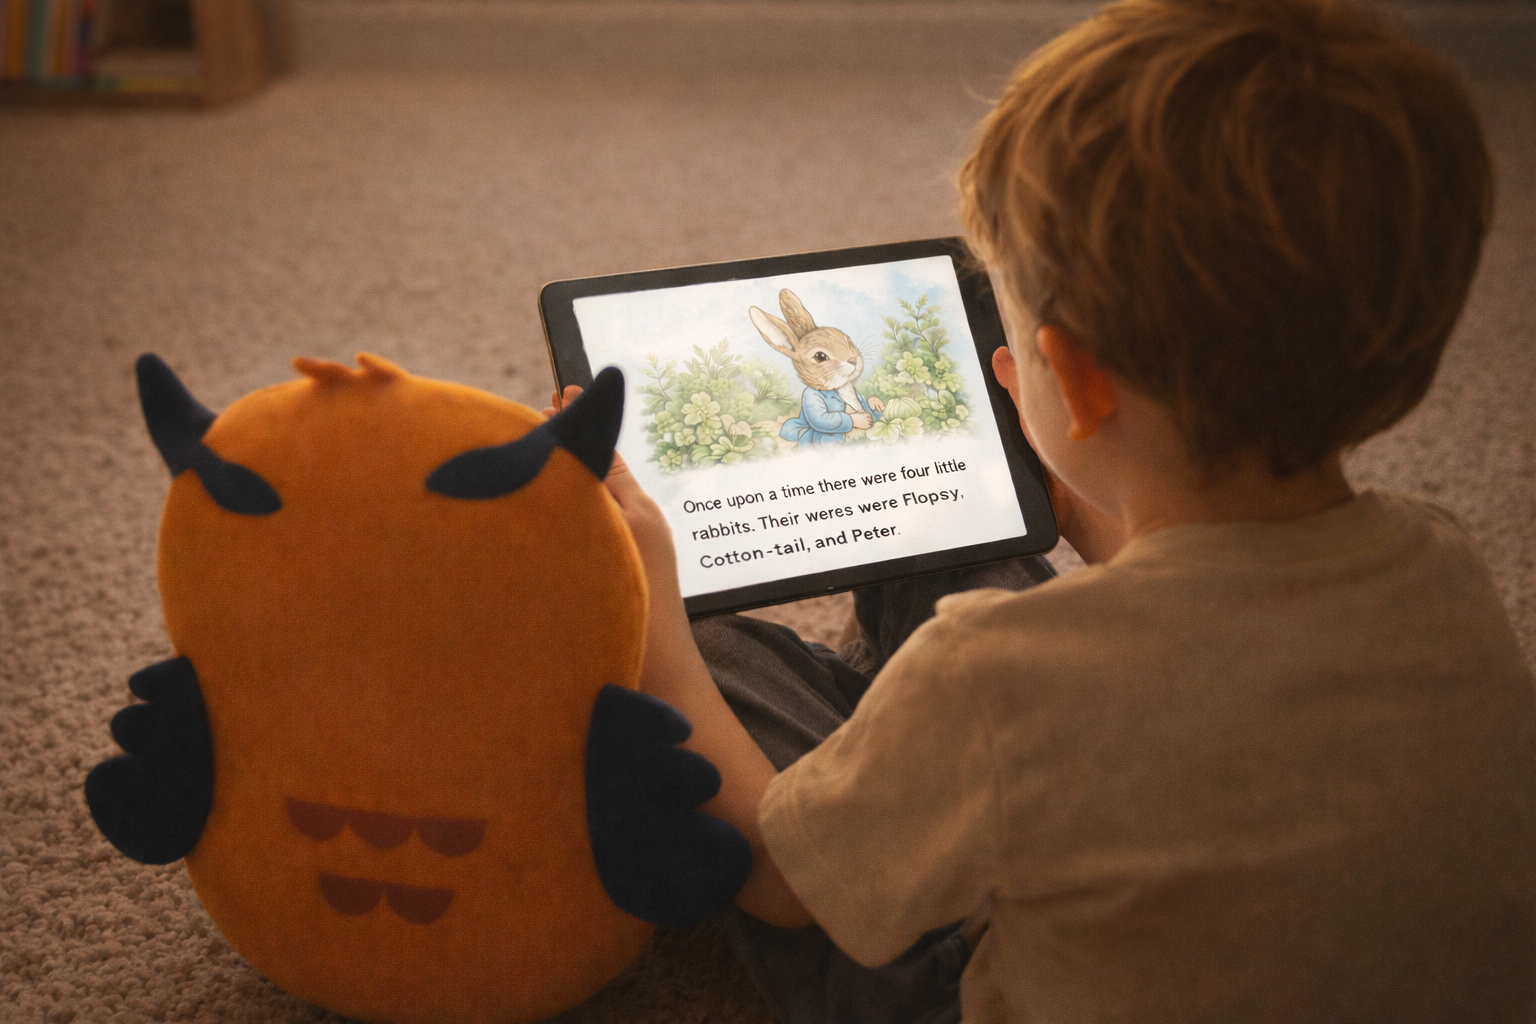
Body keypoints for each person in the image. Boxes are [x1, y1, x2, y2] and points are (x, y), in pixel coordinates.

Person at [555, 0, 1536, 1019]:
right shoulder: (1443, 561)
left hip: (973, 978)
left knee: (711, 653)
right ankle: (913, 778)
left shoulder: (993, 674)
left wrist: (655, 615)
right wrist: (1105, 524)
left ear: (1069, 374)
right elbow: (1224, 661)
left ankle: (851, 757)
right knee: (964, 538)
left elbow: (781, 880)